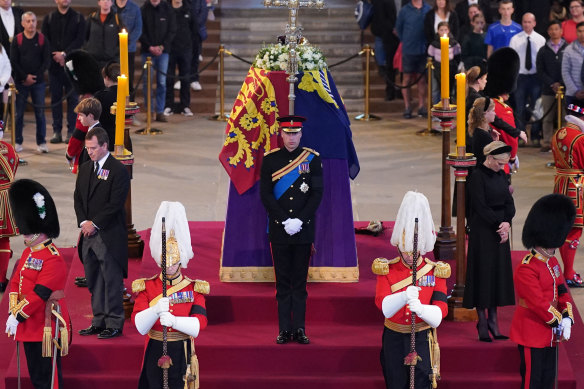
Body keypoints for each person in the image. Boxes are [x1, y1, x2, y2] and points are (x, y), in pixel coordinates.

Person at [373, 191, 449, 389]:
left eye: (413, 251)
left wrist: (422, 309)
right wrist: (403, 297)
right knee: (395, 382)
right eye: (405, 251)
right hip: (394, 338)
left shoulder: (436, 271)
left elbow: (441, 311)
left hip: (422, 336)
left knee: (423, 382)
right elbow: (384, 305)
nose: (410, 257)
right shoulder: (386, 269)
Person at [259, 115, 323, 345]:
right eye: (288, 133)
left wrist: (300, 220)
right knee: (283, 283)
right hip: (280, 229)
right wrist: (285, 220)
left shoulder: (312, 159)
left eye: (296, 133)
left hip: (303, 230)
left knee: (300, 283)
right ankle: (284, 329)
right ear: (281, 134)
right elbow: (265, 195)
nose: (292, 137)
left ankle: (300, 329)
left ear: (301, 134)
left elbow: (316, 194)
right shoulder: (270, 160)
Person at [132, 201, 208, 389]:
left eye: (174, 263)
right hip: (155, 346)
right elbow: (139, 325)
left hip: (181, 349)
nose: (169, 267)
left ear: (181, 261)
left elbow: (200, 323)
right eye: (165, 263)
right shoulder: (147, 286)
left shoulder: (194, 288)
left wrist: (175, 322)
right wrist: (155, 310)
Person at [5, 178, 71, 389]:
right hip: (28, 323)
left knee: (47, 379)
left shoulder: (53, 258)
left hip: (45, 325)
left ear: (39, 228)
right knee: (36, 376)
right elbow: (16, 281)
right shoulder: (28, 252)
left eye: (26, 231)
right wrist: (12, 310)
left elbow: (40, 293)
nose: (24, 235)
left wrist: (17, 315)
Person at [511, 194, 576, 388]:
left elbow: (562, 290)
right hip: (532, 332)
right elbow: (537, 302)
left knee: (548, 380)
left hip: (551, 334)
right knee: (533, 381)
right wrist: (558, 320)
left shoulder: (552, 261)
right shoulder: (526, 268)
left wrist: (567, 316)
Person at [74, 126, 130, 340]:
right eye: (87, 148)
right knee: (94, 279)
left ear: (105, 146)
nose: (89, 152)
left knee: (111, 280)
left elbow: (115, 204)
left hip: (108, 234)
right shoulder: (86, 168)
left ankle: (114, 322)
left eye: (93, 148)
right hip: (88, 235)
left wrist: (94, 223)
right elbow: (78, 198)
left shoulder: (118, 171)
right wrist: (83, 222)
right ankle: (98, 321)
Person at [463, 141, 516, 342]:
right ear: (490, 158)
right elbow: (479, 205)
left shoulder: (501, 175)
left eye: (504, 163)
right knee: (483, 274)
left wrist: (507, 223)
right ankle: (482, 322)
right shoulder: (476, 177)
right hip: (483, 230)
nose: (502, 166)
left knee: (497, 275)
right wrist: (498, 224)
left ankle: (494, 321)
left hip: (500, 230)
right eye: (499, 162)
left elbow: (509, 203)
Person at [42, 0, 85, 145]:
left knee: (72, 99)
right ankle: (57, 131)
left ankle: (72, 130)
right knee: (55, 99)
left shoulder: (78, 17)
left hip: (72, 65)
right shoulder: (49, 18)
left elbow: (79, 40)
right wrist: (57, 55)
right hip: (54, 66)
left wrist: (64, 54)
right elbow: (45, 40)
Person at [551, 102, 584, 287]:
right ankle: (569, 273)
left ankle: (566, 271)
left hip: (560, 183)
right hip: (576, 186)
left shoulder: (558, 133)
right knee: (574, 230)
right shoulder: (580, 138)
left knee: (565, 228)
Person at [10, 12, 51, 154]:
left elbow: (46, 61)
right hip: (21, 82)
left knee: (40, 113)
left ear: (36, 23)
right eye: (27, 21)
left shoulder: (42, 39)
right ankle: (18, 141)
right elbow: (13, 61)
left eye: (33, 20)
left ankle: (42, 142)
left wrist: (34, 76)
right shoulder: (18, 40)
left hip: (38, 82)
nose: (31, 23)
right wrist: (24, 77)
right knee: (18, 113)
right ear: (22, 24)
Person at [509, 13, 546, 145]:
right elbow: (511, 60)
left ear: (534, 23)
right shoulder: (515, 39)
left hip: (536, 77)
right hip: (520, 77)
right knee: (519, 108)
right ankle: (521, 136)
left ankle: (536, 136)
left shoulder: (541, 39)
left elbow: (543, 60)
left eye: (529, 22)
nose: (527, 24)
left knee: (536, 107)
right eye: (524, 22)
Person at [140, 0, 177, 123]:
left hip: (163, 52)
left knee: (162, 82)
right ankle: (149, 111)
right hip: (147, 51)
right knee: (147, 82)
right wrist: (150, 46)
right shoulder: (143, 9)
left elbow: (172, 30)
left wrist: (162, 47)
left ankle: (160, 111)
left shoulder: (168, 9)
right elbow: (141, 31)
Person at [395, 0, 431, 119]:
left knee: (422, 80)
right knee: (407, 78)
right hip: (409, 50)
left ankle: (422, 106)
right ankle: (407, 107)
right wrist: (406, 40)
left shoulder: (428, 9)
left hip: (423, 50)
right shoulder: (405, 10)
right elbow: (398, 29)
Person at [536, 20, 567, 153]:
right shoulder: (543, 50)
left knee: (566, 117)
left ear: (561, 31)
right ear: (548, 32)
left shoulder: (568, 48)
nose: (554, 32)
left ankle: (565, 142)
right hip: (548, 89)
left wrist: (561, 82)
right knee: (547, 118)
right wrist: (552, 83)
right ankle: (548, 142)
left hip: (566, 89)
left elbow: (569, 68)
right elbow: (540, 70)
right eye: (551, 29)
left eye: (556, 29)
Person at [165, 0, 196, 117]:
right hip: (170, 49)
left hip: (185, 50)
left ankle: (185, 106)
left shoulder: (189, 9)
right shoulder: (167, 9)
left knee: (185, 79)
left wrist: (191, 48)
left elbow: (194, 31)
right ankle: (169, 105)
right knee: (169, 78)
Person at [112, 0, 142, 97]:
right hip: (112, 51)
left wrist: (126, 42)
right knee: (112, 79)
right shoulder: (110, 6)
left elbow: (138, 29)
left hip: (129, 50)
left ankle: (129, 104)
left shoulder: (135, 8)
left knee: (129, 79)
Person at [370, 0, 398, 101]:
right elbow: (380, 16)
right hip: (386, 34)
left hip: (400, 33)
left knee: (397, 66)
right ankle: (390, 90)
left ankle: (397, 90)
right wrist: (393, 29)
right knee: (389, 65)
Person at [427, 22, 461, 104]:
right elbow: (430, 57)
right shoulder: (434, 44)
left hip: (451, 68)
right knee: (435, 90)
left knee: (450, 89)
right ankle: (436, 109)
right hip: (437, 68)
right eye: (441, 30)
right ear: (438, 31)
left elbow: (458, 56)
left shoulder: (454, 43)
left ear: (449, 30)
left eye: (445, 30)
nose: (443, 32)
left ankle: (449, 108)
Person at [66, 97, 102, 174]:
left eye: (81, 115)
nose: (79, 118)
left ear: (90, 116)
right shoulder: (92, 131)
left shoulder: (96, 135)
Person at [84, 0, 123, 69]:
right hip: (93, 60)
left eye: (108, 0)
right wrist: (88, 49)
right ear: (99, 2)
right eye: (103, 0)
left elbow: (124, 38)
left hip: (111, 61)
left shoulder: (117, 19)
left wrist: (115, 51)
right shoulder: (92, 18)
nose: (105, 2)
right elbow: (84, 36)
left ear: (111, 3)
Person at [0, 137, 17, 292]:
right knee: (4, 239)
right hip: (5, 196)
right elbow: (15, 166)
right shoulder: (10, 148)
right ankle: (1, 280)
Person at [93, 61, 118, 150]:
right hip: (122, 137)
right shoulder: (126, 95)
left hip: (105, 137)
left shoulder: (101, 95)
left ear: (106, 78)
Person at [468, 97, 498, 164]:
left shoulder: (475, 129)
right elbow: (490, 162)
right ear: (485, 112)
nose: (495, 113)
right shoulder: (484, 136)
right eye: (493, 111)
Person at [561, 21, 584, 107]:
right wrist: (575, 91)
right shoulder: (569, 49)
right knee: (574, 119)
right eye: (580, 31)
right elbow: (565, 72)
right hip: (573, 96)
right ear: (576, 32)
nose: (582, 34)